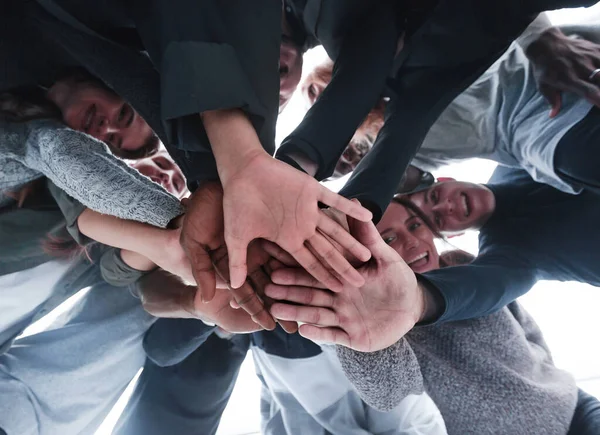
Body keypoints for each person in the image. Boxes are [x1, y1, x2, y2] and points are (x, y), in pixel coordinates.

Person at [265, 197, 600, 434]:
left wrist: (547, 382)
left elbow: (529, 331)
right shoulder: (378, 319)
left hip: (576, 410)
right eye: (389, 238)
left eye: (415, 224)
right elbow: (392, 397)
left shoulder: (463, 263)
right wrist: (372, 344)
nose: (412, 242)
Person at [299, 22, 600, 196]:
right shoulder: (401, 143)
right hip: (541, 132)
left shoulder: (400, 42)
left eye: (317, 89)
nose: (322, 100)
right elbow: (398, 181)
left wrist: (541, 39)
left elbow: (493, 12)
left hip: (558, 56)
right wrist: (337, 169)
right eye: (318, 106)